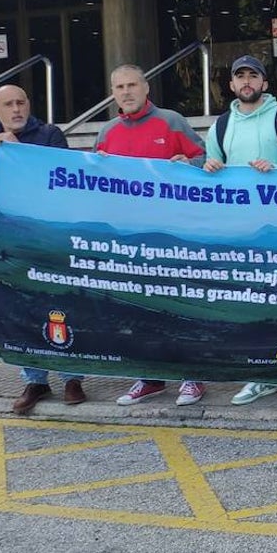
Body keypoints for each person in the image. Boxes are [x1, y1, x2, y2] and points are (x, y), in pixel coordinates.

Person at [0, 85, 82, 415]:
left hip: (47, 242)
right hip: (5, 248)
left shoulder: (50, 136)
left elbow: (63, 184)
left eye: (21, 102)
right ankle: (35, 380)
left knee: (60, 307)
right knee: (21, 313)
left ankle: (72, 377)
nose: (16, 109)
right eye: (8, 104)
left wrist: (18, 154)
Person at [204, 55, 277, 407]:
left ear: (265, 83)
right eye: (240, 77)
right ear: (232, 85)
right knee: (253, 305)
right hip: (244, 234)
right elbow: (210, 169)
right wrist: (208, 167)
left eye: (254, 76)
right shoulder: (220, 125)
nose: (247, 82)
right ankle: (261, 376)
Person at [95, 65, 207, 407]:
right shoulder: (106, 132)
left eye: (132, 85)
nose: (126, 92)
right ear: (113, 92)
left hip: (171, 232)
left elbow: (203, 158)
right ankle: (149, 378)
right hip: (128, 237)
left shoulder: (171, 121)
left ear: (146, 88)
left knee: (178, 304)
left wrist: (186, 164)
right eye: (119, 87)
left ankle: (192, 377)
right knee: (140, 310)